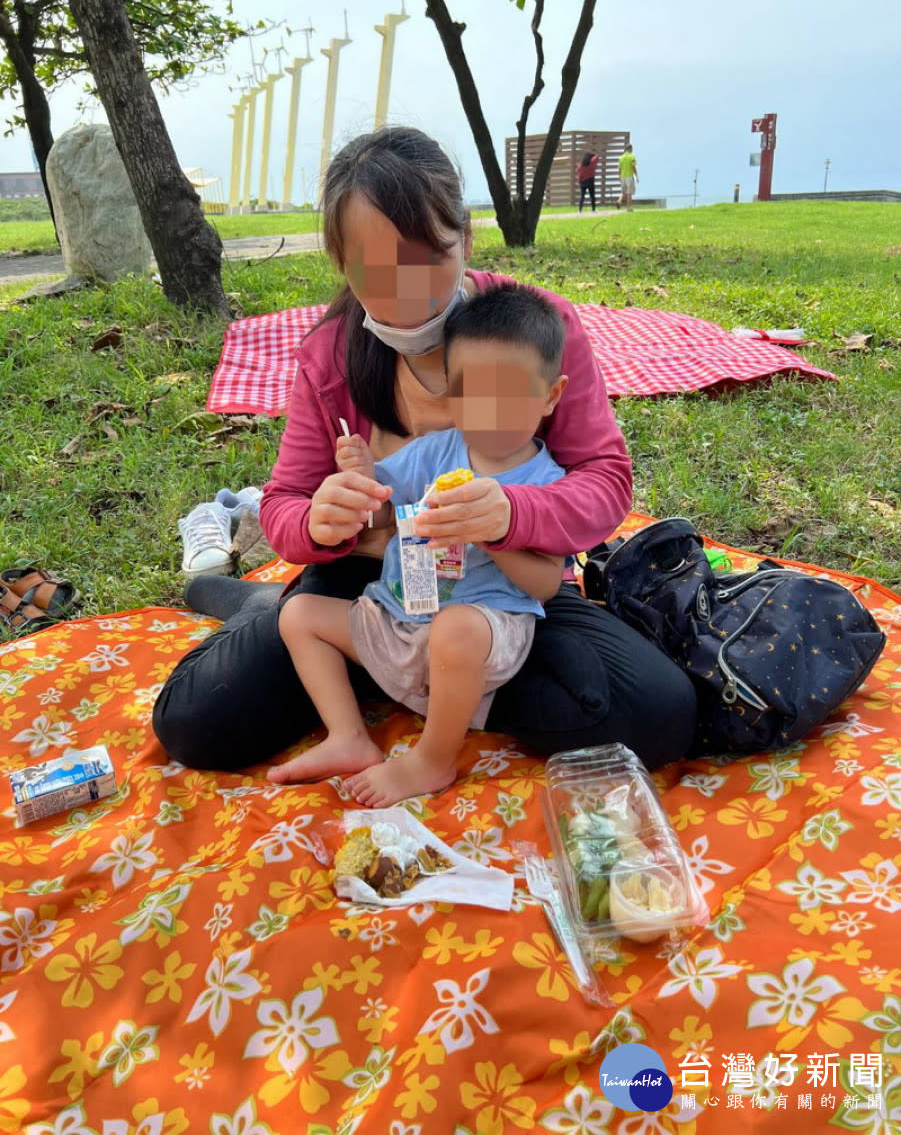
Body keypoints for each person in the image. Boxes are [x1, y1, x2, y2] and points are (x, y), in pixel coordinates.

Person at [152, 126, 696, 777]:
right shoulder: (329, 356)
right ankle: (290, 620)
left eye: (427, 258)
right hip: (370, 588)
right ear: (341, 264)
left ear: (464, 238)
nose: (408, 295)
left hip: (495, 589)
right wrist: (319, 522)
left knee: (658, 716)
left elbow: (605, 480)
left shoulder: (532, 328)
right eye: (376, 273)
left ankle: (404, 675)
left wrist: (510, 515)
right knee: (195, 724)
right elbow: (285, 507)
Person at [274, 284, 568, 806]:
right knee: (298, 615)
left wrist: (494, 535)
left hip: (480, 634)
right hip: (400, 617)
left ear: (551, 395)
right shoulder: (436, 453)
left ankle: (433, 760)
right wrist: (363, 484)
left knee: (455, 628)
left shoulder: (544, 481)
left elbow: (546, 584)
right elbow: (382, 508)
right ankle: (347, 736)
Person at [618, 143, 639, 211]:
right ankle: (629, 208)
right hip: (629, 176)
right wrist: (637, 176)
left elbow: (619, 169)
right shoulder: (632, 157)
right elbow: (633, 167)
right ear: (630, 149)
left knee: (623, 192)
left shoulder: (621, 157)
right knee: (629, 193)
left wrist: (619, 177)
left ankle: (619, 201)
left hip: (622, 176)